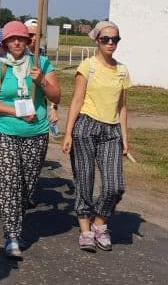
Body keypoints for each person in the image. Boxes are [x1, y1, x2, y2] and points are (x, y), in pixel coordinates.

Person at [0, 21, 61, 259]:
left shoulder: (42, 64)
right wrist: (17, 112)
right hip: (5, 130)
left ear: (28, 41)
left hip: (36, 132)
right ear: (5, 43)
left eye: (21, 39)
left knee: (26, 185)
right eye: (12, 39)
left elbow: (57, 95)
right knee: (10, 181)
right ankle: (12, 235)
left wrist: (42, 82)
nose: (17, 42)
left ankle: (16, 212)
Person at [61, 21, 131, 253]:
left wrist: (125, 138)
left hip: (111, 131)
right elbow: (77, 101)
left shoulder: (122, 70)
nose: (111, 43)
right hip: (86, 127)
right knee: (85, 179)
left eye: (115, 39)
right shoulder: (87, 66)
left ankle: (99, 222)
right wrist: (68, 132)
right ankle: (85, 230)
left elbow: (122, 107)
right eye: (106, 39)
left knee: (115, 186)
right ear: (97, 41)